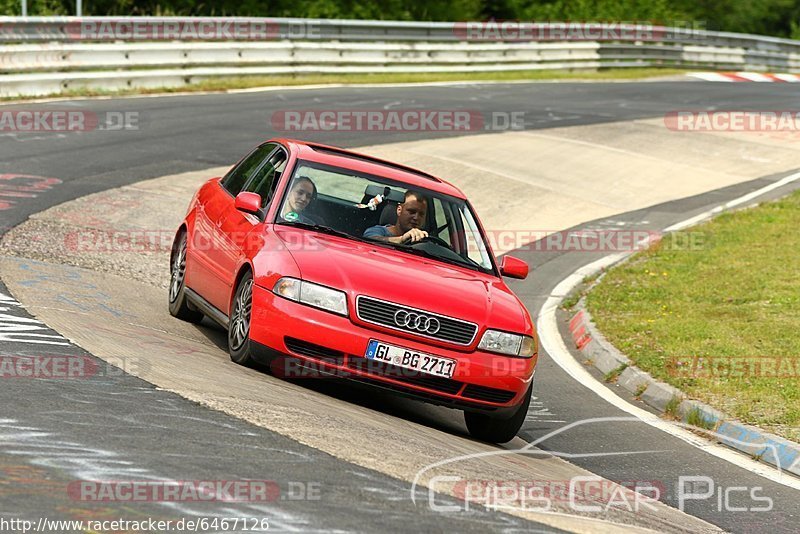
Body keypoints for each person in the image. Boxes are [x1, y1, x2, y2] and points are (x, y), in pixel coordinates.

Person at [363, 190, 428, 244]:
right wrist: (401, 239)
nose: (416, 217)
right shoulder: (379, 231)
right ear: (399, 210)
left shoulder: (425, 241)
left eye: (421, 214)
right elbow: (369, 239)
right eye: (411, 212)